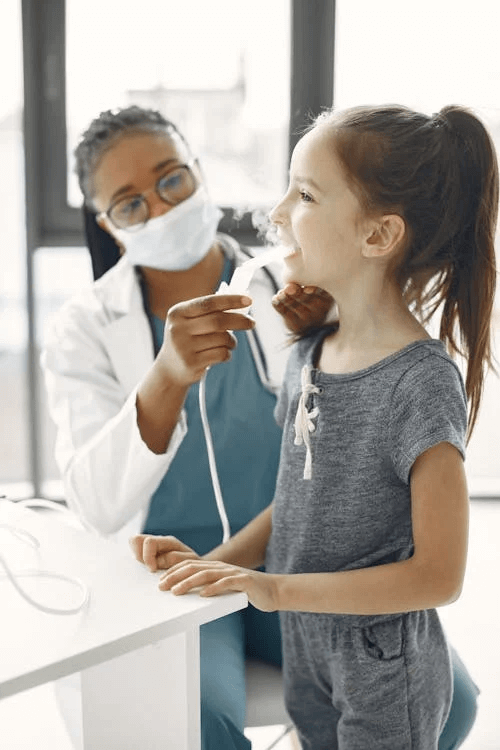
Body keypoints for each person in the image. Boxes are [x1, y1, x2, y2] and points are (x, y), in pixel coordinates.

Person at [130, 103, 497, 749]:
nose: (275, 214)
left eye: (303, 193)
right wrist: (214, 568)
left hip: (385, 677)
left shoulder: (419, 383)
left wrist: (271, 588)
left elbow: (440, 576)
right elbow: (297, 504)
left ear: (378, 236)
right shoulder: (309, 350)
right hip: (309, 649)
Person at [41, 105, 333, 750]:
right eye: (129, 204)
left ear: (201, 173)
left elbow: (345, 444)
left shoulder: (296, 285)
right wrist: (166, 377)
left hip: (294, 549)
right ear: (107, 226)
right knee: (192, 722)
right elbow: (94, 503)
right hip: (169, 577)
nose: (160, 209)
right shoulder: (85, 328)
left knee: (440, 696)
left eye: (171, 180)